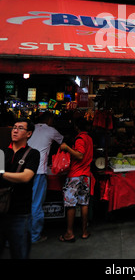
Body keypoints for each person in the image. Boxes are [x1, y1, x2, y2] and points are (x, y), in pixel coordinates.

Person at [0, 119, 40, 259]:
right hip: (1, 210)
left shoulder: (33, 154)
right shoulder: (2, 152)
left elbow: (26, 177)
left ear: (28, 133)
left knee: (20, 253)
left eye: (20, 128)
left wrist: (2, 174)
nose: (15, 130)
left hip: (20, 213)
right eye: (14, 128)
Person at [28, 111, 64, 243]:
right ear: (49, 120)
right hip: (38, 171)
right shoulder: (51, 130)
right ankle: (34, 236)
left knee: (22, 203)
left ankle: (15, 236)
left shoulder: (30, 128)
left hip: (24, 171)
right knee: (36, 204)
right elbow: (63, 142)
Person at [59, 117, 93, 242]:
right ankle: (84, 232)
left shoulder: (80, 138)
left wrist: (67, 148)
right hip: (85, 175)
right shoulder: (89, 138)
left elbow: (80, 155)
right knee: (84, 203)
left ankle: (69, 233)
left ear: (77, 127)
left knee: (71, 204)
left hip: (75, 175)